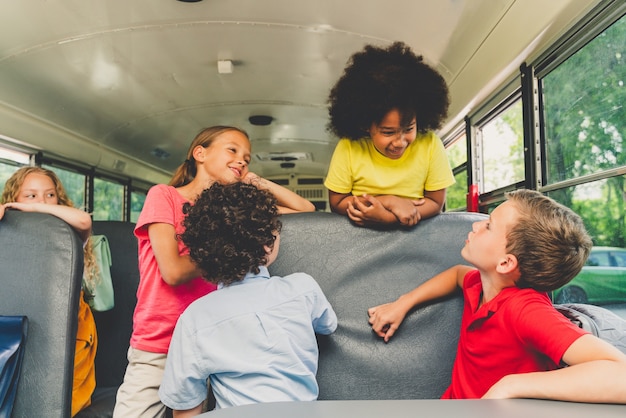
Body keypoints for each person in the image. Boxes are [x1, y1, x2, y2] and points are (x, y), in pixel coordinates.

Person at [113, 126, 316, 418]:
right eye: (232, 150)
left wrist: (250, 179)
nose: (242, 159)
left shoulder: (235, 210)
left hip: (218, 340)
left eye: (247, 157)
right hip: (160, 342)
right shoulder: (165, 196)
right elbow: (172, 271)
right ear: (200, 153)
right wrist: (232, 246)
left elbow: (306, 209)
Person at [367, 189, 626, 403]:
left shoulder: (525, 309)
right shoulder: (480, 283)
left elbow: (621, 375)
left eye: (489, 226)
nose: (477, 225)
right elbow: (457, 274)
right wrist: (404, 303)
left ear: (505, 263)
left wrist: (512, 385)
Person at [158, 181, 337, 416]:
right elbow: (328, 324)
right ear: (268, 244)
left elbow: (185, 407)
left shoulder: (194, 318)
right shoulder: (303, 289)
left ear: (203, 254)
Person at [0, 166, 98, 417]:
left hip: (69, 329)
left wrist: (29, 208)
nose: (42, 201)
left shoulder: (68, 232)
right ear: (14, 197)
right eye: (30, 195)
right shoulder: (8, 234)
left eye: (49, 195)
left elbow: (84, 220)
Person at [324, 41, 455, 228]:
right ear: (365, 126)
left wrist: (392, 218)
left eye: (409, 129)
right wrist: (388, 202)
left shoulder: (431, 144)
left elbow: (435, 203)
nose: (400, 142)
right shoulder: (349, 147)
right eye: (388, 132)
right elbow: (337, 203)